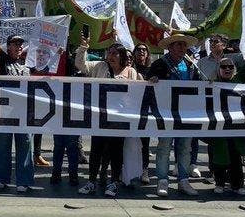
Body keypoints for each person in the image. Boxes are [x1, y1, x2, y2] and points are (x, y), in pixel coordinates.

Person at [76, 39, 141, 198]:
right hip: (100, 118)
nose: (110, 56)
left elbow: (138, 92)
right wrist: (84, 47)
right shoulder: (99, 66)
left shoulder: (130, 72)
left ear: (122, 56)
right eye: (109, 53)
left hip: (119, 120)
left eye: (114, 53)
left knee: (116, 152)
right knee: (96, 151)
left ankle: (113, 183)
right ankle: (91, 181)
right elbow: (80, 65)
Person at [0, 1, 35, 193]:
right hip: (4, 109)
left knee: (25, 144)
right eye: (15, 44)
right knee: (3, 144)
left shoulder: (28, 64)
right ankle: (0, 178)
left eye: (20, 44)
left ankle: (24, 181)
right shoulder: (3, 60)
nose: (18, 46)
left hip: (23, 110)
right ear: (8, 47)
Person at [147, 33, 202, 197]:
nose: (182, 48)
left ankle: (183, 181)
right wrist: (153, 79)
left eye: (184, 45)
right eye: (178, 45)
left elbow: (199, 84)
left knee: (185, 148)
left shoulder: (191, 65)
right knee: (164, 147)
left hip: (186, 114)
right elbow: (148, 80)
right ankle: (162, 181)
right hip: (167, 113)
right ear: (170, 47)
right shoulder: (159, 64)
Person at [209, 38, 245, 196]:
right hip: (219, 126)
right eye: (224, 67)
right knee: (219, 157)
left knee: (236, 157)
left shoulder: (238, 80)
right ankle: (220, 183)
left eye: (230, 66)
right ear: (219, 69)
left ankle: (237, 185)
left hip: (236, 126)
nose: (227, 69)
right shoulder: (213, 83)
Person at [131, 43, 152, 185]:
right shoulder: (129, 69)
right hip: (130, 110)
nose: (141, 52)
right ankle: (127, 169)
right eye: (138, 50)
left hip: (145, 110)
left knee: (145, 142)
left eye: (144, 50)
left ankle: (144, 169)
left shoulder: (152, 70)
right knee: (129, 142)